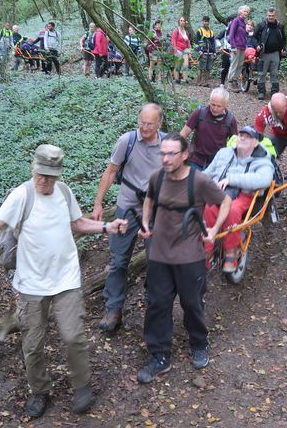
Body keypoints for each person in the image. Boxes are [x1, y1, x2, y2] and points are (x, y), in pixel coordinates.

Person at [0, 145, 128, 417]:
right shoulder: (22, 195)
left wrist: (106, 227)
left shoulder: (64, 193)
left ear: (58, 175)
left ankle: (83, 385)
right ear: (33, 169)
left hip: (66, 279)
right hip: (30, 285)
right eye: (40, 174)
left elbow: (77, 224)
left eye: (49, 176)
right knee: (32, 343)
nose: (43, 180)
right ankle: (39, 390)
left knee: (73, 335)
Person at [136, 133, 232, 383]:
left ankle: (199, 343)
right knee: (157, 304)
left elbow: (225, 202)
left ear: (185, 155)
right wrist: (146, 222)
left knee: (192, 302)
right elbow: (148, 199)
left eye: (171, 154)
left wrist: (214, 229)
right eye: (163, 153)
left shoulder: (199, 181)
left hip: (190, 256)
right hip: (159, 253)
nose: (165, 159)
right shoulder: (157, 177)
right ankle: (159, 356)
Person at [93, 104, 164, 332]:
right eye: (141, 122)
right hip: (127, 208)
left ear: (159, 124)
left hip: (154, 209)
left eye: (149, 124)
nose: (144, 127)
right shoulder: (128, 141)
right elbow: (111, 171)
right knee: (118, 260)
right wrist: (98, 202)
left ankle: (153, 305)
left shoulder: (166, 146)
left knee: (157, 259)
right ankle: (113, 308)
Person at [202, 125, 274, 271]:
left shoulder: (262, 158)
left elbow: (265, 179)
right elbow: (208, 173)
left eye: (248, 137)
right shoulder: (224, 153)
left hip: (243, 195)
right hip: (218, 192)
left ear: (255, 143)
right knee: (208, 208)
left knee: (232, 210)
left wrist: (232, 179)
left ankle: (231, 252)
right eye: (241, 135)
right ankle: (207, 250)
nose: (242, 138)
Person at [254, 92, 287, 216]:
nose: (278, 114)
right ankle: (267, 191)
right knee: (266, 159)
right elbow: (255, 135)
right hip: (278, 136)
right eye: (275, 111)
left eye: (281, 112)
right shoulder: (266, 112)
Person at [179, 86, 238, 171]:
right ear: (209, 101)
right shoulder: (200, 113)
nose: (215, 109)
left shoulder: (230, 120)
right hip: (196, 159)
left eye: (219, 106)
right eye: (213, 104)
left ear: (225, 105)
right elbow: (183, 133)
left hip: (217, 162)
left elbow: (235, 143)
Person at [255, 8, 286, 100]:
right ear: (266, 15)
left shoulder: (280, 26)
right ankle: (261, 92)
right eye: (269, 16)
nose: (271, 17)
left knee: (275, 73)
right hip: (263, 53)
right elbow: (254, 37)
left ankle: (275, 92)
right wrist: (257, 45)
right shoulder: (261, 25)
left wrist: (283, 49)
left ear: (275, 16)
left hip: (275, 53)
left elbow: (283, 39)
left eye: (272, 16)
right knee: (261, 73)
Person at [226, 5, 250, 92]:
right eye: (244, 11)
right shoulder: (236, 21)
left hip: (243, 46)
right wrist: (233, 46)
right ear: (240, 12)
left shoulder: (244, 22)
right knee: (234, 64)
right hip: (236, 46)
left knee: (240, 65)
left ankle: (235, 81)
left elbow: (244, 35)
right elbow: (231, 34)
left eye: (247, 12)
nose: (246, 13)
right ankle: (230, 82)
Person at [195, 16, 215, 87]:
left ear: (209, 22)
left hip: (210, 52)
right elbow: (197, 41)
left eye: (207, 21)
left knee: (208, 68)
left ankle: (206, 82)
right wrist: (199, 50)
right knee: (200, 68)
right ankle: (198, 82)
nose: (206, 22)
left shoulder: (211, 32)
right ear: (202, 22)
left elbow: (213, 43)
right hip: (202, 52)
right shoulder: (199, 31)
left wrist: (214, 51)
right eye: (205, 21)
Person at [171, 16, 191, 83]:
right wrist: (175, 51)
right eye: (181, 20)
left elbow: (188, 42)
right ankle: (176, 79)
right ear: (179, 22)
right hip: (178, 49)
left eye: (183, 21)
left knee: (186, 65)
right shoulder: (176, 30)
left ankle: (185, 79)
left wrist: (189, 52)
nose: (182, 22)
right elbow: (173, 41)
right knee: (178, 65)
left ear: (185, 22)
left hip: (185, 50)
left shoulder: (186, 32)